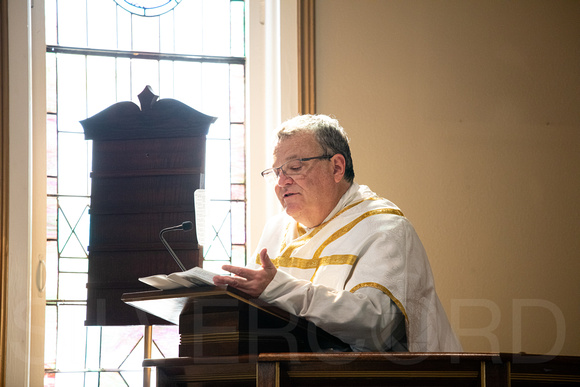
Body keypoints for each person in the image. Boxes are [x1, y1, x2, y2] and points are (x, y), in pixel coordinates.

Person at [213, 114, 462, 352]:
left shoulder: (385, 228)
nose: (281, 182)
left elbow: (376, 327)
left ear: (336, 167)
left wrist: (280, 288)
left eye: (295, 167)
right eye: (276, 173)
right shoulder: (275, 230)